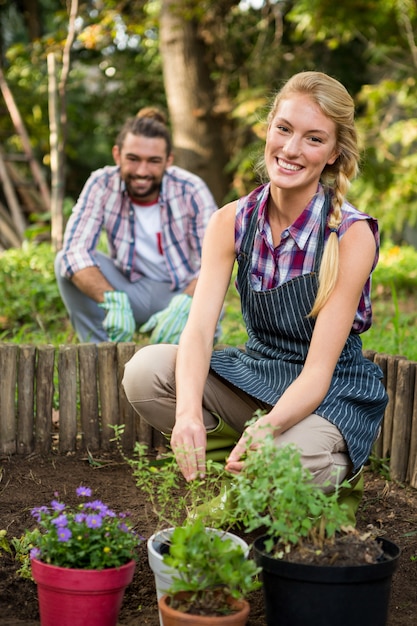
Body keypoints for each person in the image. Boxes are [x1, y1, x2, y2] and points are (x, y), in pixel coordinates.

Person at [122, 72, 388, 517]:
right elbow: (199, 330)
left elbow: (319, 373)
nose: (290, 149)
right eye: (283, 128)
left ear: (333, 154)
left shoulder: (351, 235)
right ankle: (239, 454)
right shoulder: (231, 220)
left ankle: (302, 464)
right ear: (268, 128)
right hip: (258, 372)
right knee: (145, 372)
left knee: (289, 462)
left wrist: (270, 428)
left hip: (329, 393)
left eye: (313, 138)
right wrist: (187, 412)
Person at [55, 107, 218, 344]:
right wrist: (110, 298)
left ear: (168, 160)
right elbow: (74, 250)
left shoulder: (191, 189)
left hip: (178, 293)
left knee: (209, 298)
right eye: (133, 159)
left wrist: (187, 303)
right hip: (128, 291)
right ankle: (99, 349)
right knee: (64, 261)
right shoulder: (101, 184)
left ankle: (185, 345)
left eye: (153, 161)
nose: (142, 171)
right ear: (117, 155)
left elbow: (214, 264)